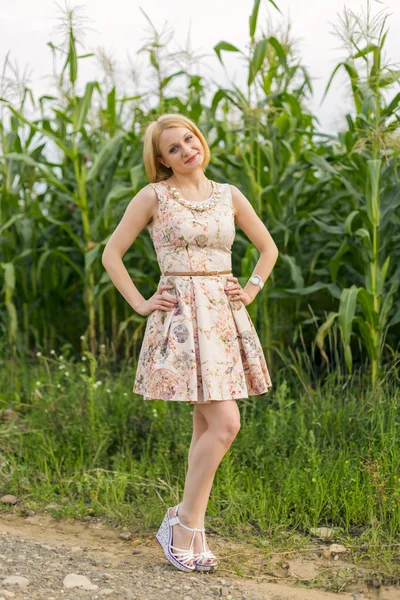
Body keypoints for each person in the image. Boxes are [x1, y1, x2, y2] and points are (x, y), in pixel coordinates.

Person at [101, 113, 278, 573]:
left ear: (200, 140)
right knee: (225, 424)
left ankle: (189, 527)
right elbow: (111, 253)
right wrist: (141, 303)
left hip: (222, 314)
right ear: (161, 160)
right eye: (173, 149)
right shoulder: (153, 196)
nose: (185, 150)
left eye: (189, 140)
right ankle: (184, 524)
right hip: (180, 316)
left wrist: (253, 288)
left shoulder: (229, 195)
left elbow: (268, 248)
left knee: (209, 427)